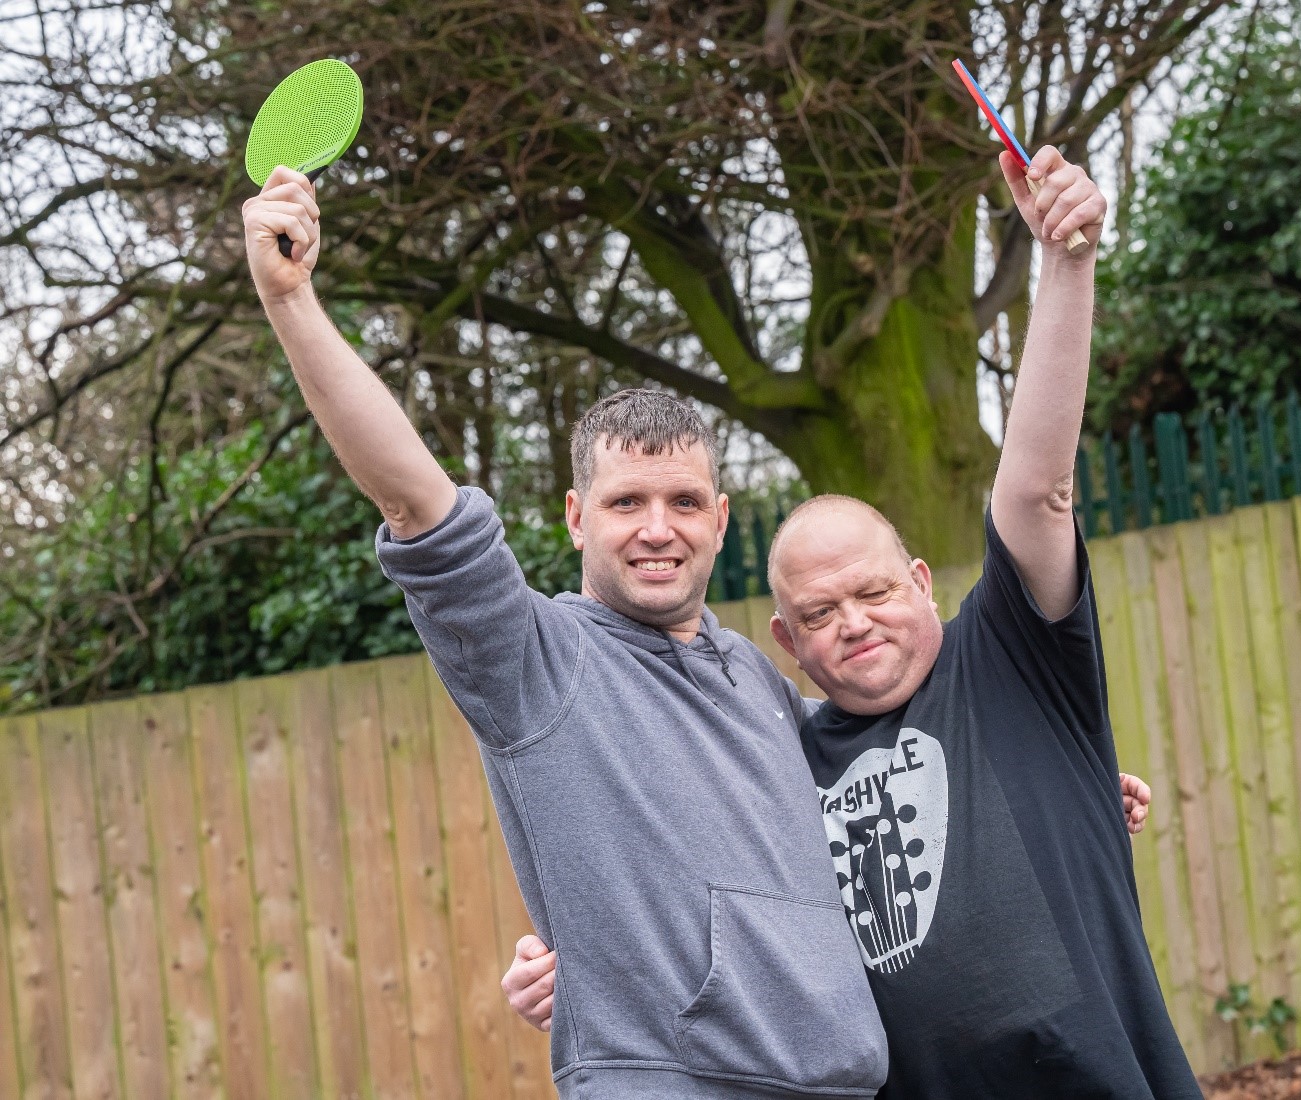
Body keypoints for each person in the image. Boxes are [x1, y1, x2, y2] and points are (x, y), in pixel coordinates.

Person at [501, 147, 1198, 1098]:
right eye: (819, 614)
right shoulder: (787, 757)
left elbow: (1037, 488)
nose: (856, 625)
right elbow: (686, 884)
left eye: (873, 593)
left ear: (920, 581)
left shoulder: (1011, 663)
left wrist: (1065, 263)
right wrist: (577, 962)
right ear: (786, 644)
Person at [241, 168, 889, 1098]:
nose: (658, 527)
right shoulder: (534, 660)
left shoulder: (758, 679)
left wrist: (1041, 779)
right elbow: (417, 500)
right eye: (627, 502)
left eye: (683, 502)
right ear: (578, 518)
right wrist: (293, 300)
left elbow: (877, 784)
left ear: (720, 518)